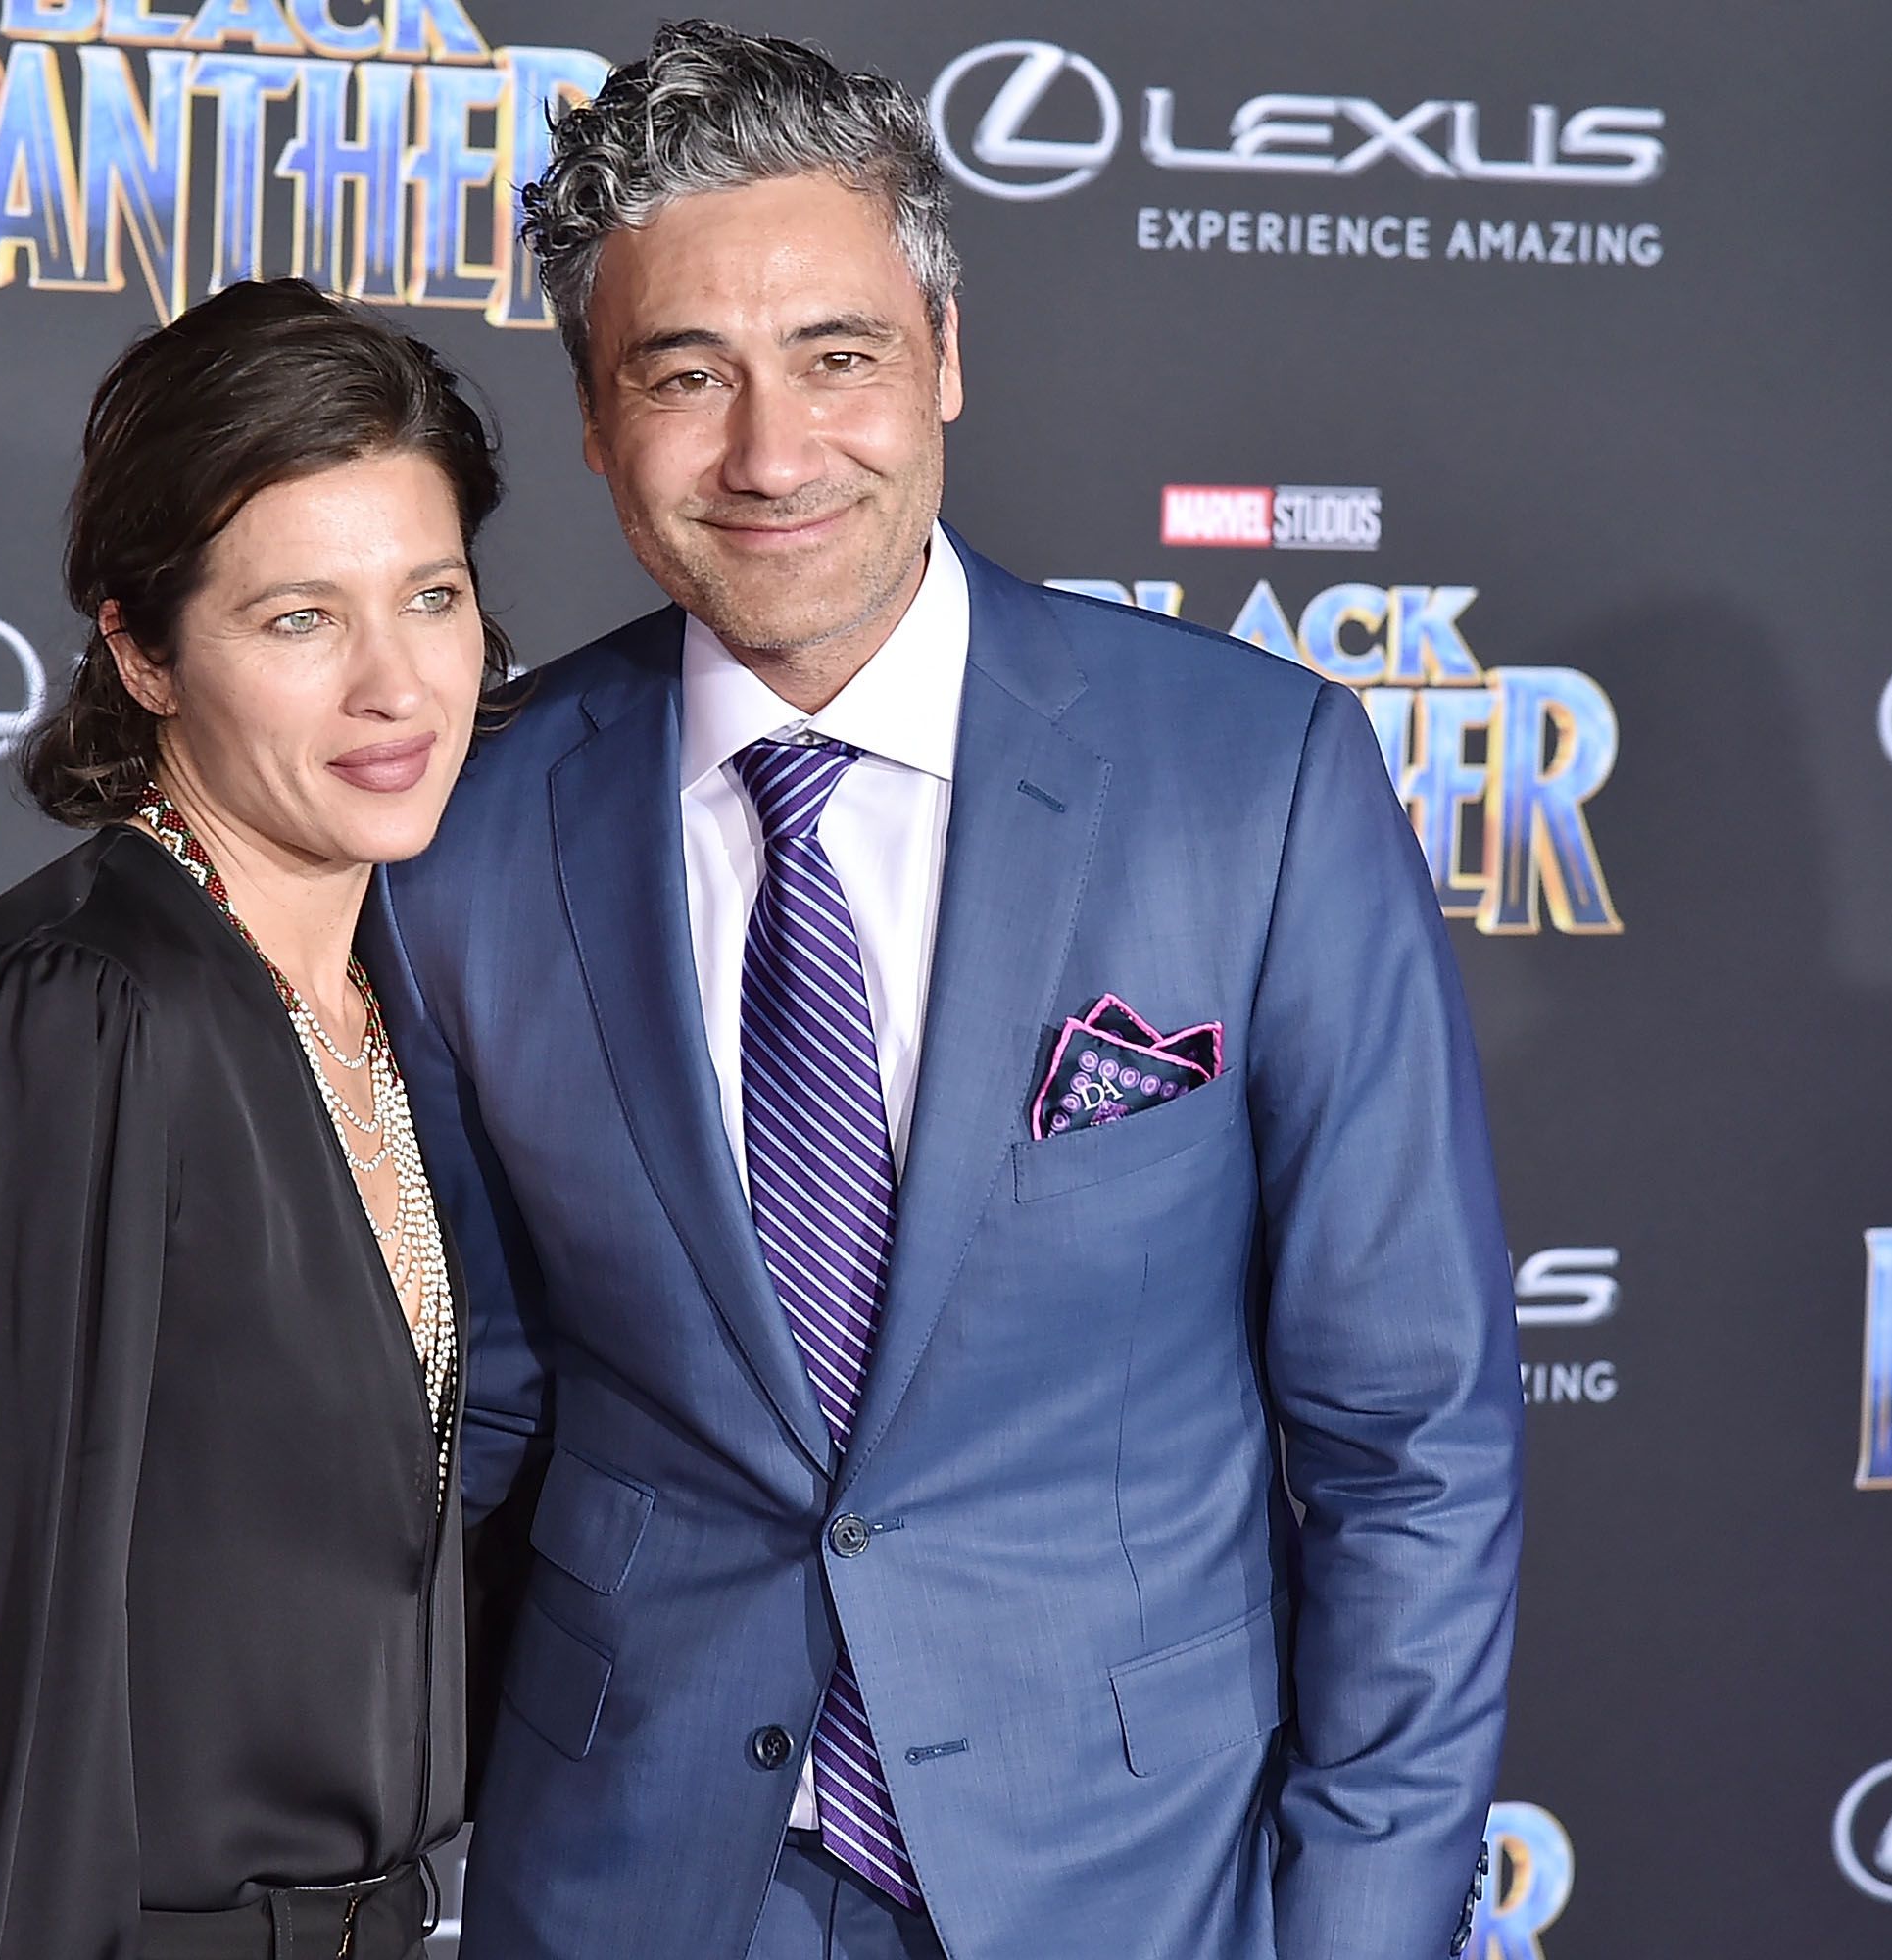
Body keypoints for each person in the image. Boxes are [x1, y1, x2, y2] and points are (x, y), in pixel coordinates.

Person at [373, 24, 1523, 1960]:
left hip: (1134, 1891)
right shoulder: (468, 835)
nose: (771, 451)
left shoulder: (1256, 779)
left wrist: (1367, 1929)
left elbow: (1412, 1431)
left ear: (947, 360)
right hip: (626, 1893)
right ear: (590, 416)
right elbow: (471, 1414)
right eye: (684, 375)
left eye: (838, 355)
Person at [0, 279, 504, 1960]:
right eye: (299, 620)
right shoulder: (88, 1009)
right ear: (141, 650)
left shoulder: (395, 999)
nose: (397, 686)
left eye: (434, 596)